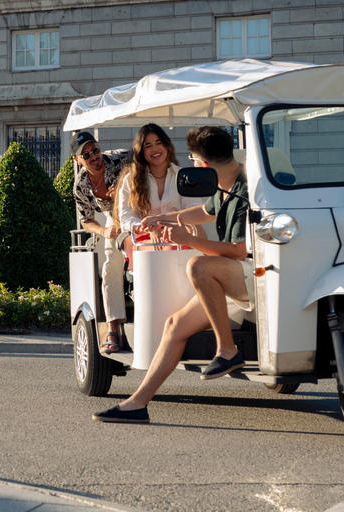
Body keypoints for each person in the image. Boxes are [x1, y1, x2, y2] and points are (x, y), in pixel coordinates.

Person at [92, 126, 253, 423]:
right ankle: (137, 404)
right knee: (174, 323)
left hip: (249, 276)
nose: (191, 164)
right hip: (227, 277)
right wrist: (160, 218)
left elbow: (240, 251)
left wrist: (189, 239)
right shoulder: (225, 183)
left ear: (203, 163)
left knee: (198, 265)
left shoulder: (246, 187)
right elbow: (203, 212)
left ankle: (227, 349)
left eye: (194, 159)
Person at [71, 131, 130, 354]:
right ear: (78, 161)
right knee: (110, 266)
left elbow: (153, 170)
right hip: (114, 219)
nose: (94, 156)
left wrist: (129, 187)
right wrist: (104, 231)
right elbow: (86, 220)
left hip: (143, 209)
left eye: (95, 150)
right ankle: (113, 329)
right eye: (86, 155)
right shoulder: (80, 185)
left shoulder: (122, 158)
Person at [115, 124, 203, 269]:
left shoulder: (184, 176)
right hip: (145, 238)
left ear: (167, 146)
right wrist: (147, 227)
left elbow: (193, 209)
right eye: (148, 146)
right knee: (157, 255)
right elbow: (126, 216)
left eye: (158, 143)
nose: (155, 149)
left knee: (175, 248)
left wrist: (166, 225)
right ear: (141, 152)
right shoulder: (130, 180)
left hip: (179, 234)